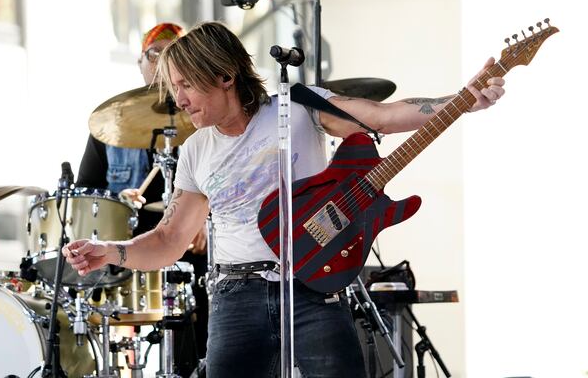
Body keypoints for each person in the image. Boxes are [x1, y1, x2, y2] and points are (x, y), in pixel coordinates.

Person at [64, 21, 505, 377]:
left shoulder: (299, 108)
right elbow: (169, 239)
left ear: (223, 75)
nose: (178, 100)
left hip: (312, 288)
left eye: (186, 85)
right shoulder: (195, 149)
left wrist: (464, 100)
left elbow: (384, 117)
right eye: (173, 87)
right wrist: (113, 251)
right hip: (236, 295)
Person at [75, 22, 209, 369]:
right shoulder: (110, 125)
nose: (163, 61)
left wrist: (208, 220)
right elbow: (86, 194)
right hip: (130, 246)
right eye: (155, 53)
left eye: (174, 54)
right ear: (141, 63)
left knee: (211, 273)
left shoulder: (202, 120)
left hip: (189, 246)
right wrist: (119, 199)